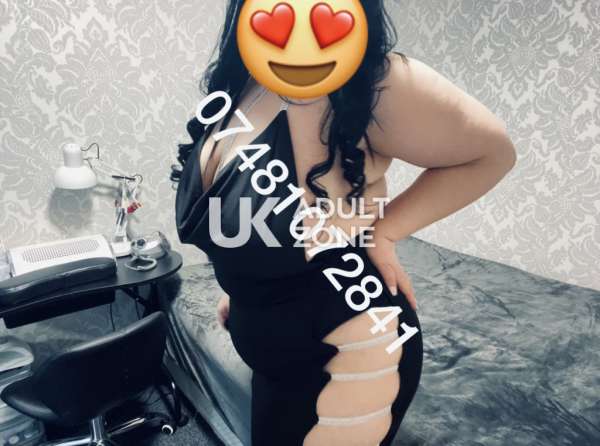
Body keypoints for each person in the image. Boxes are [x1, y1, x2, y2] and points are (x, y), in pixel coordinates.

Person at [172, 1, 517, 445]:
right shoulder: (249, 77)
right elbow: (248, 214)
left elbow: (492, 154)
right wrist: (241, 284)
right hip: (275, 349)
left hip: (352, 355)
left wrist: (386, 231)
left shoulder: (376, 82)